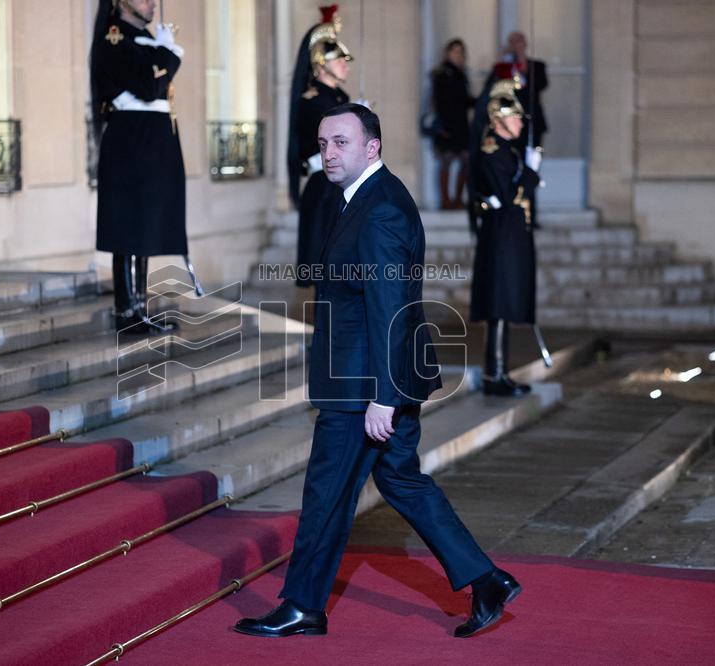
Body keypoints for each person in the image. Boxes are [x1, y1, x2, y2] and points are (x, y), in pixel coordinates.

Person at [235, 104, 521, 640]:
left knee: (327, 492)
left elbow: (390, 306)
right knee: (402, 480)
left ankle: (302, 605)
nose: (329, 152)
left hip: (364, 386)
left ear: (373, 147)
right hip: (375, 377)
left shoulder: (380, 208)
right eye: (323, 143)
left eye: (341, 142)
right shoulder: (363, 199)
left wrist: (384, 398)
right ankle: (487, 581)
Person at [90, 0, 186, 333]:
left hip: (149, 142)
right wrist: (167, 52)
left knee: (145, 225)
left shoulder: (144, 40)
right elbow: (149, 86)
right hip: (131, 140)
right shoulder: (114, 38)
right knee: (128, 226)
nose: (151, 4)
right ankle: (126, 310)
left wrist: (159, 50)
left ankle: (141, 308)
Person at [469, 80, 540, 398]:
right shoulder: (493, 150)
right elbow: (511, 196)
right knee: (498, 303)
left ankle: (501, 371)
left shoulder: (506, 149)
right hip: (501, 236)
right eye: (514, 118)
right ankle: (493, 373)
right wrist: (530, 171)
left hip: (512, 235)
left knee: (507, 302)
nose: (520, 122)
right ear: (498, 120)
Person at [288, 5, 352, 288]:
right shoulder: (313, 100)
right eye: (339, 60)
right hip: (325, 187)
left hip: (342, 185)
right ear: (320, 64)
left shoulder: (339, 97)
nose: (345, 65)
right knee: (326, 270)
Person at [430, 38, 475, 210]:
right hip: (447, 125)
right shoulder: (442, 74)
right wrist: (442, 126)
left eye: (460, 52)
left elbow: (464, 100)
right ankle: (446, 200)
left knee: (464, 161)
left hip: (461, 125)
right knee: (447, 161)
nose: (457, 55)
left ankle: (457, 199)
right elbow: (439, 101)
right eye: (454, 51)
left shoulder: (461, 74)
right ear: (448, 53)